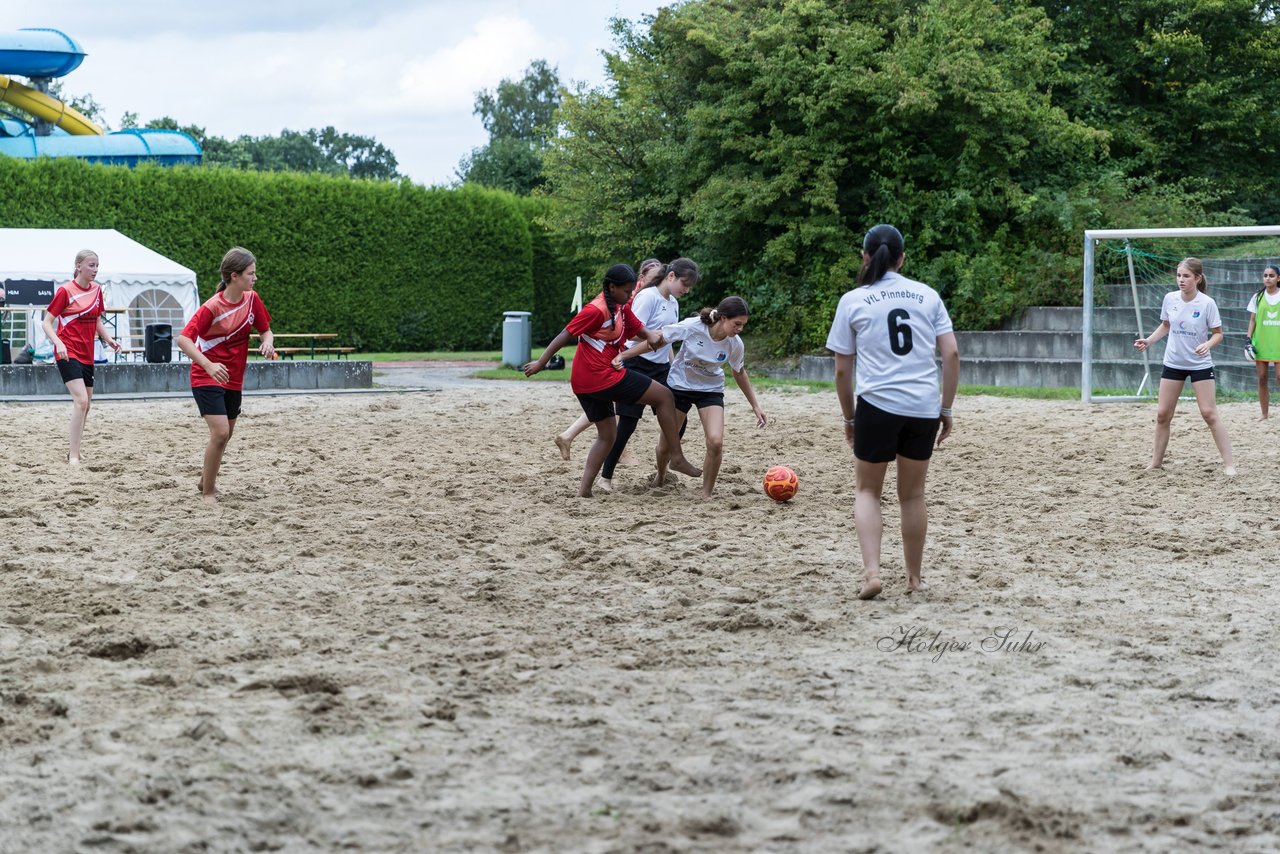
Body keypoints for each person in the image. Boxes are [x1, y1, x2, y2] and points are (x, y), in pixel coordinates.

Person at [826, 224, 960, 600]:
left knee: (867, 491)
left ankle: (872, 574)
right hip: (922, 406)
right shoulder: (927, 295)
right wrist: (945, 407)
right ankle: (914, 579)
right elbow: (950, 354)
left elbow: (841, 370)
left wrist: (849, 417)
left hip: (877, 404)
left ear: (865, 257)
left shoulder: (852, 300)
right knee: (913, 495)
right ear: (902, 257)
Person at [524, 263, 701, 497]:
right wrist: (541, 362)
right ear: (612, 287)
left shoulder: (620, 306)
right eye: (627, 291)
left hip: (585, 383)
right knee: (665, 397)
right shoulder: (596, 310)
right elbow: (566, 334)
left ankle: (584, 491)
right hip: (601, 377)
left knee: (608, 436)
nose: (631, 295)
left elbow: (640, 329)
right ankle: (676, 458)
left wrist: (654, 336)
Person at [619, 295, 767, 498]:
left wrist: (755, 406)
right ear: (723, 318)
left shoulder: (735, 344)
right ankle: (661, 476)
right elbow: (658, 341)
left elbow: (739, 372)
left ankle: (706, 494)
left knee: (715, 442)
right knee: (665, 446)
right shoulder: (693, 326)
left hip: (711, 390)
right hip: (680, 386)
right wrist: (624, 355)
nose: (740, 329)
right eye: (737, 324)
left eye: (743, 325)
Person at [176, 247, 276, 503]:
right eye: (251, 273)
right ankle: (209, 492)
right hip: (206, 375)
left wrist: (268, 342)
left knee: (225, 434)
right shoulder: (213, 306)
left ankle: (204, 480)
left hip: (233, 378)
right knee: (220, 433)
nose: (254, 278)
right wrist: (209, 365)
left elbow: (266, 330)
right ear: (234, 276)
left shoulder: (252, 299)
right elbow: (183, 339)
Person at [596, 258, 701, 492]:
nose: (687, 290)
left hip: (661, 367)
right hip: (636, 363)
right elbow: (630, 333)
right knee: (627, 425)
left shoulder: (673, 302)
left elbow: (667, 341)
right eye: (685, 283)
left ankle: (661, 475)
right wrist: (652, 337)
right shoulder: (648, 296)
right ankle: (605, 477)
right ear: (671, 276)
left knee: (677, 420)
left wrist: (673, 365)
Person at [553, 258, 666, 461]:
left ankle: (570, 436)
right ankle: (619, 452)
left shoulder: (635, 297)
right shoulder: (632, 299)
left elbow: (636, 331)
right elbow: (571, 332)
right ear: (642, 278)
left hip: (616, 360)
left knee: (612, 407)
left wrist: (658, 344)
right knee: (623, 405)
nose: (657, 282)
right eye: (654, 278)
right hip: (618, 360)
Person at [1135, 257, 1235, 475]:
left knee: (1209, 413)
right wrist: (1149, 341)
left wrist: (1207, 344)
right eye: (1179, 275)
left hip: (1199, 364)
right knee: (1163, 414)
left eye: (1186, 276)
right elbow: (1166, 325)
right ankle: (1155, 464)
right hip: (1173, 362)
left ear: (1197, 278)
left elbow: (1218, 334)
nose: (1181, 279)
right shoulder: (1170, 298)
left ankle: (1229, 464)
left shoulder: (1207, 303)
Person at [41, 249, 122, 464]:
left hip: (88, 353)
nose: (95, 270)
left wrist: (109, 339)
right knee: (81, 401)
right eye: (91, 265)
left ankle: (74, 450)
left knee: (87, 404)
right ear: (78, 266)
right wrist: (57, 342)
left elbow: (96, 320)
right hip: (67, 351)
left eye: (97, 265)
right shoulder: (65, 291)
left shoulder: (97, 290)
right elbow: (46, 322)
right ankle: (74, 456)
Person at [1246, 265, 1280, 420]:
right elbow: (1252, 320)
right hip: (1261, 342)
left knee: (1279, 377)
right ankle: (1264, 414)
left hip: (1278, 342)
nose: (1267, 278)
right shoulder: (1257, 297)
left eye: (1271, 275)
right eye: (1265, 275)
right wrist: (1248, 339)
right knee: (1262, 377)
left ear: (1278, 278)